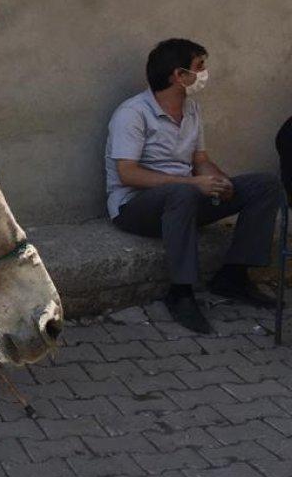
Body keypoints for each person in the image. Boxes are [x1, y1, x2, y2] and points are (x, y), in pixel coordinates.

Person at [105, 39, 281, 334]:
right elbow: (127, 174)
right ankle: (181, 292)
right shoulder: (132, 113)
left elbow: (200, 160)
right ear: (179, 75)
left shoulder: (193, 110)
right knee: (182, 192)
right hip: (135, 207)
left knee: (265, 185)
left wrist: (219, 181)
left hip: (185, 198)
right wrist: (191, 183)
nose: (204, 73)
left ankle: (233, 276)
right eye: (199, 66)